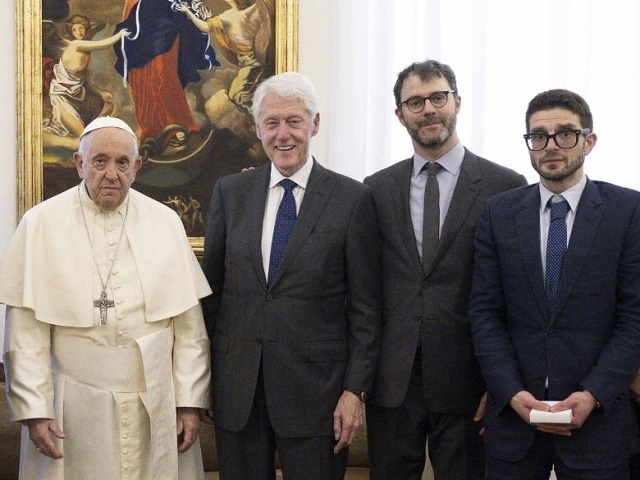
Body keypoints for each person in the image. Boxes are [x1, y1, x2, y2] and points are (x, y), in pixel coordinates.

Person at [0, 116, 212, 479]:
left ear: (137, 168)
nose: (111, 173)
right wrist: (35, 409)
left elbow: (189, 330)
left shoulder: (166, 223)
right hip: (72, 406)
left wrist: (189, 403)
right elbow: (25, 335)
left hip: (154, 404)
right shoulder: (40, 224)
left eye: (122, 163)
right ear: (79, 164)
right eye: (99, 161)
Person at [201, 71, 381, 479]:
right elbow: (211, 293)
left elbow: (366, 310)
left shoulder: (352, 199)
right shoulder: (230, 193)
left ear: (314, 124)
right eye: (272, 123)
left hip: (317, 394)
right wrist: (206, 380)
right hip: (239, 391)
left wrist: (354, 391)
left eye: (294, 121)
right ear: (258, 128)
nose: (283, 134)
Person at [363, 59, 527, 480]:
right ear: (399, 115)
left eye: (438, 97)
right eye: (415, 102)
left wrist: (502, 383)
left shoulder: (505, 186)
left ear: (457, 101)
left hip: (469, 380)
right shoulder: (375, 189)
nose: (429, 109)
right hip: (392, 381)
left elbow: (518, 296)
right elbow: (362, 287)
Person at [468, 88, 640, 479]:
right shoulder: (499, 214)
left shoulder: (628, 212)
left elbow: (634, 318)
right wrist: (511, 393)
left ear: (588, 141)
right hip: (514, 424)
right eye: (538, 136)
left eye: (566, 133)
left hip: (600, 424)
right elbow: (484, 315)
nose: (551, 145)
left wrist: (593, 394)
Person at [114, 0, 219, 148]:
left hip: (167, 26)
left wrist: (197, 8)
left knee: (163, 75)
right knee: (143, 78)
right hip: (141, 26)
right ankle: (152, 129)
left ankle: (177, 123)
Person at [42, 15, 129, 144]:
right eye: (75, 29)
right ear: (71, 32)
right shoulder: (76, 45)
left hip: (78, 95)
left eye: (81, 28)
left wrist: (101, 93)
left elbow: (86, 82)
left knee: (109, 106)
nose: (79, 32)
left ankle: (92, 131)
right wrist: (119, 35)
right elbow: (104, 45)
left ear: (86, 29)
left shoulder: (85, 51)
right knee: (81, 135)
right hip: (62, 97)